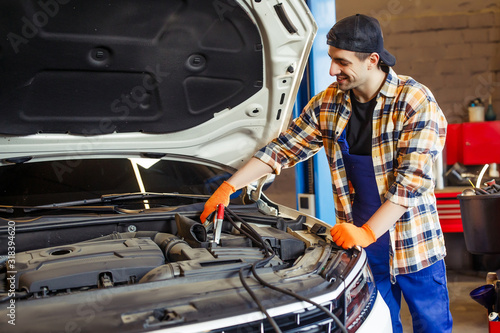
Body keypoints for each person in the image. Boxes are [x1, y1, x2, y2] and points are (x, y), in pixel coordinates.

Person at [200, 13, 452, 333]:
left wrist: (369, 231)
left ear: (372, 60)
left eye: (341, 62)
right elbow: (283, 148)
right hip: (360, 246)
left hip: (414, 243)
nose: (333, 70)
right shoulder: (328, 104)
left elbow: (411, 183)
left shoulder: (414, 101)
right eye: (332, 59)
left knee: (433, 327)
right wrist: (229, 186)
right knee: (379, 326)